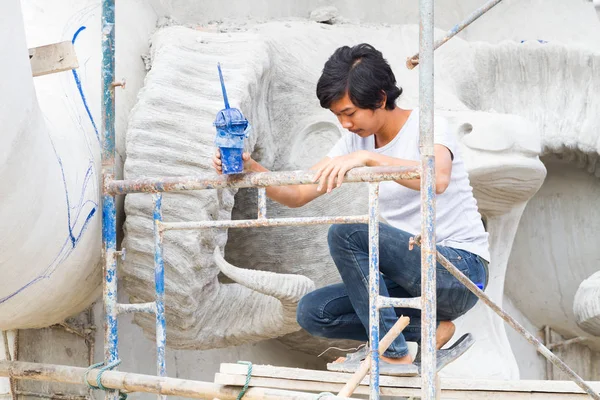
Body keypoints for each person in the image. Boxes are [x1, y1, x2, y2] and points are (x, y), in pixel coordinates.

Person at [212, 43, 489, 372]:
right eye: (337, 115)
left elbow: (437, 178)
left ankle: (390, 352)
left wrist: (369, 158)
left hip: (460, 271)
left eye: (349, 113)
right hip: (413, 272)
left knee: (347, 234)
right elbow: (298, 193)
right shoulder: (355, 140)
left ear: (381, 99)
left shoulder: (429, 125)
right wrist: (250, 169)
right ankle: (428, 331)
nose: (344, 124)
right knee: (314, 312)